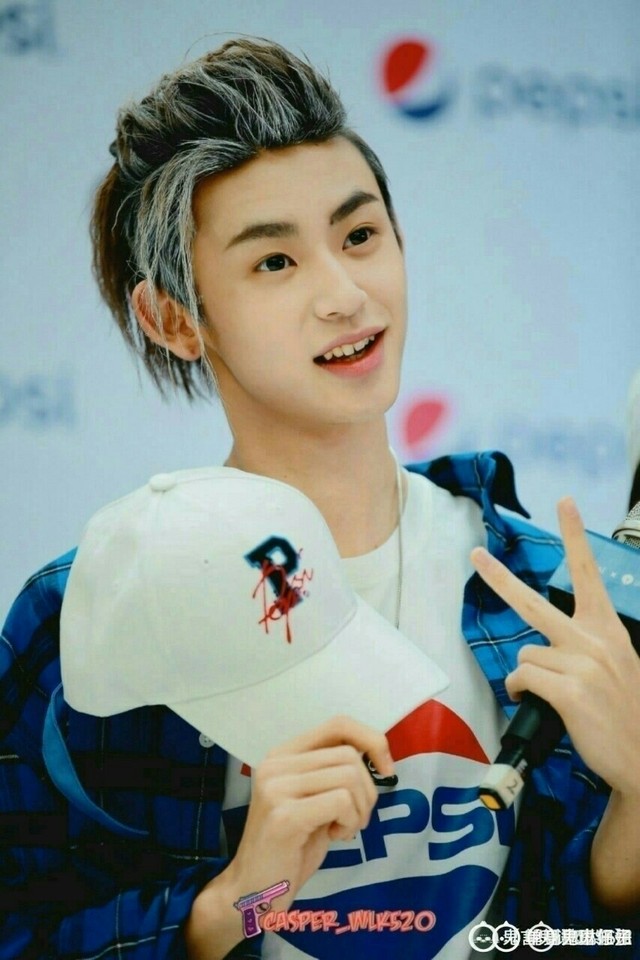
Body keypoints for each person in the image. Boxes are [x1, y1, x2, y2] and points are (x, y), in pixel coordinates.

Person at [1, 36, 638, 960]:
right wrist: (235, 903)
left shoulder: (540, 592)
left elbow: (570, 928)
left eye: (359, 236)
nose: (345, 294)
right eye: (274, 262)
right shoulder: (89, 624)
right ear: (172, 318)